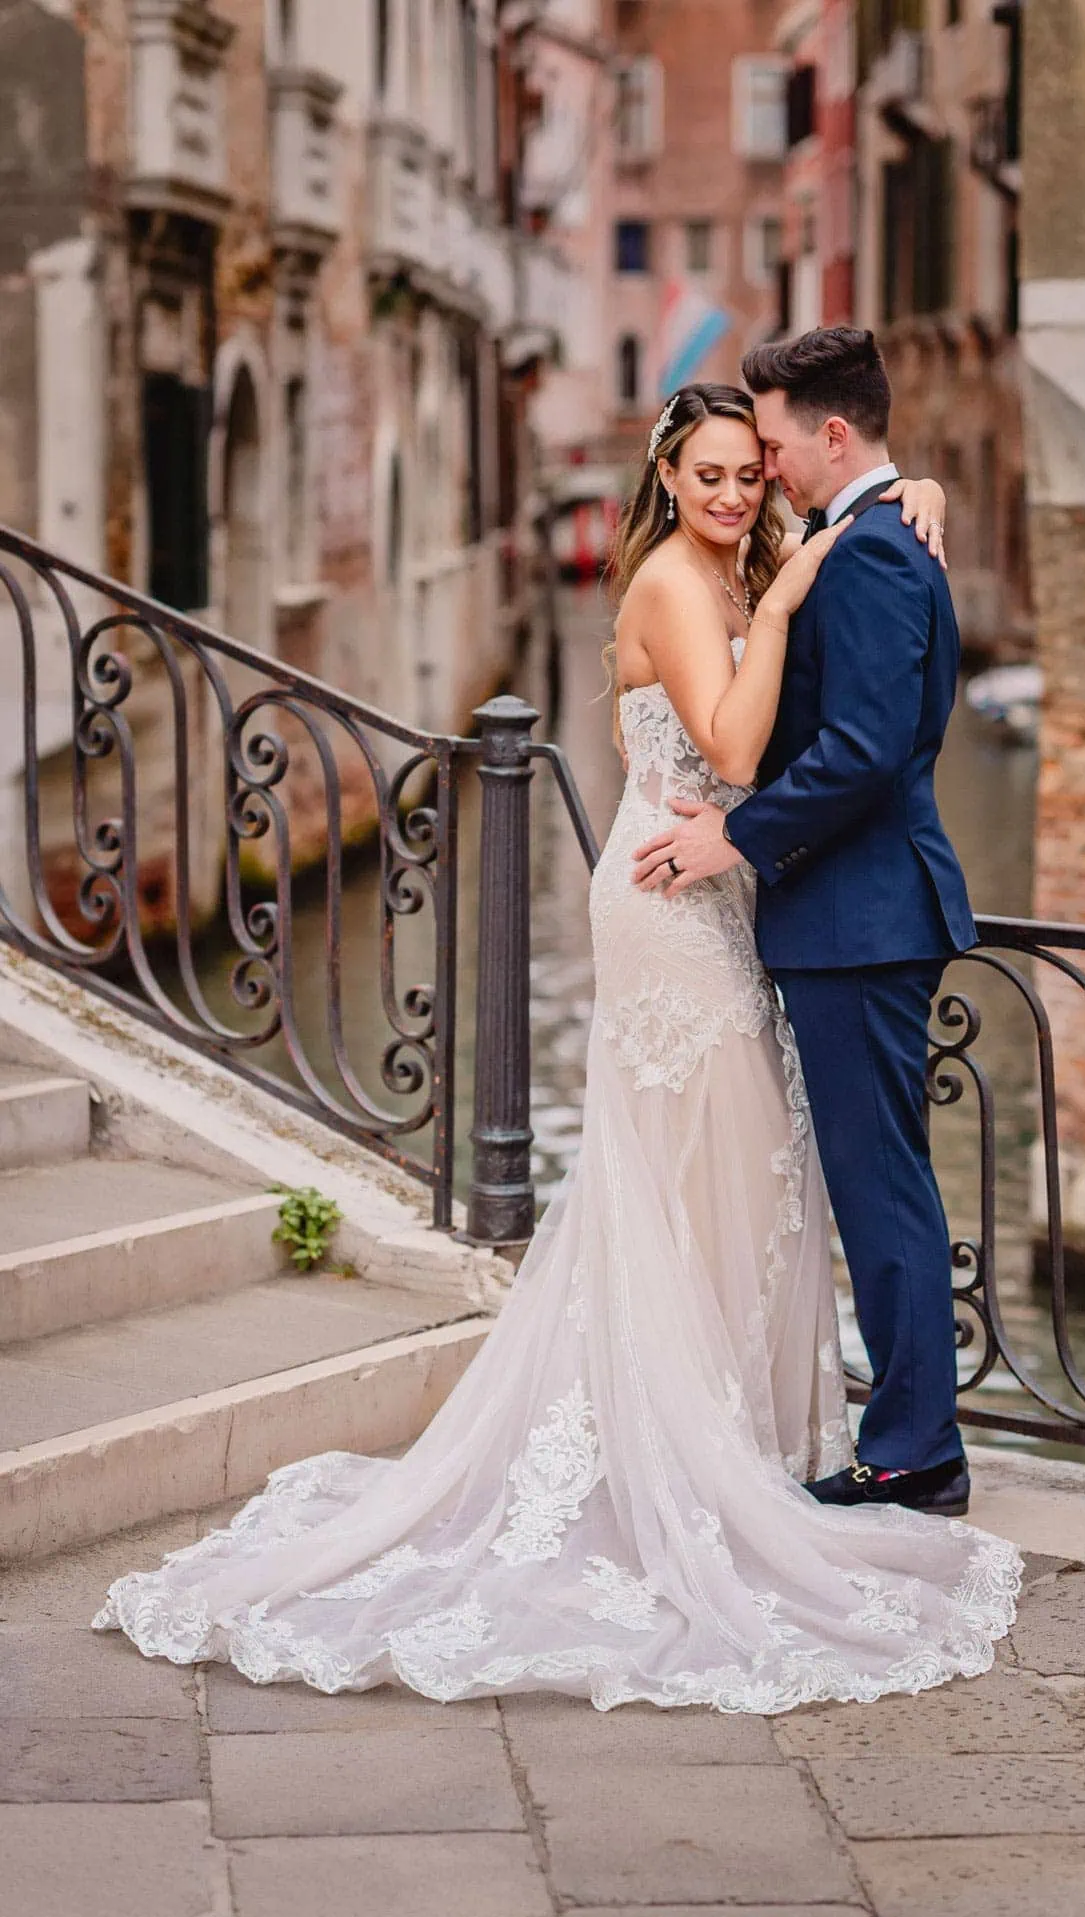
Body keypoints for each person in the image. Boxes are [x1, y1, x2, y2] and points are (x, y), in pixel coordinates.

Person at [94, 378, 1019, 1715]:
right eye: (705, 473)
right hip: (668, 908)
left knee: (739, 1174)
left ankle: (735, 1438)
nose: (730, 492)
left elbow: (835, 600)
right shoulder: (667, 584)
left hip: (719, 899)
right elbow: (740, 740)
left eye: (745, 474)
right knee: (692, 1166)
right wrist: (800, 573)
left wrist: (893, 504)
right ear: (663, 476)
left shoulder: (744, 561)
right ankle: (673, 1452)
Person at [632, 328, 977, 1520]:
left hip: (861, 917)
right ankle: (906, 1434)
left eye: (771, 449)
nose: (760, 473)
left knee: (881, 1189)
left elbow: (869, 750)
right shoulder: (861, 533)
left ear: (833, 435)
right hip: (844, 915)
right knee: (875, 1183)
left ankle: (916, 1454)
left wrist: (734, 836)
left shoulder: (875, 549)